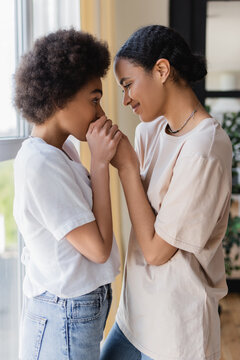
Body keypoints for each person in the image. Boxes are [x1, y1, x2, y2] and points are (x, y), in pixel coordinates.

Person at [100, 25, 232, 360]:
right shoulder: (150, 131)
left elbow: (158, 252)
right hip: (134, 316)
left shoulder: (205, 148)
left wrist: (128, 168)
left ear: (161, 70)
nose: (126, 99)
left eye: (128, 84)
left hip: (178, 329)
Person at [13, 29, 122, 360]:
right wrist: (101, 163)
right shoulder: (40, 163)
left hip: (75, 309)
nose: (101, 114)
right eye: (94, 99)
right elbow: (98, 249)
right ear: (59, 98)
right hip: (64, 313)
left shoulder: (65, 151)